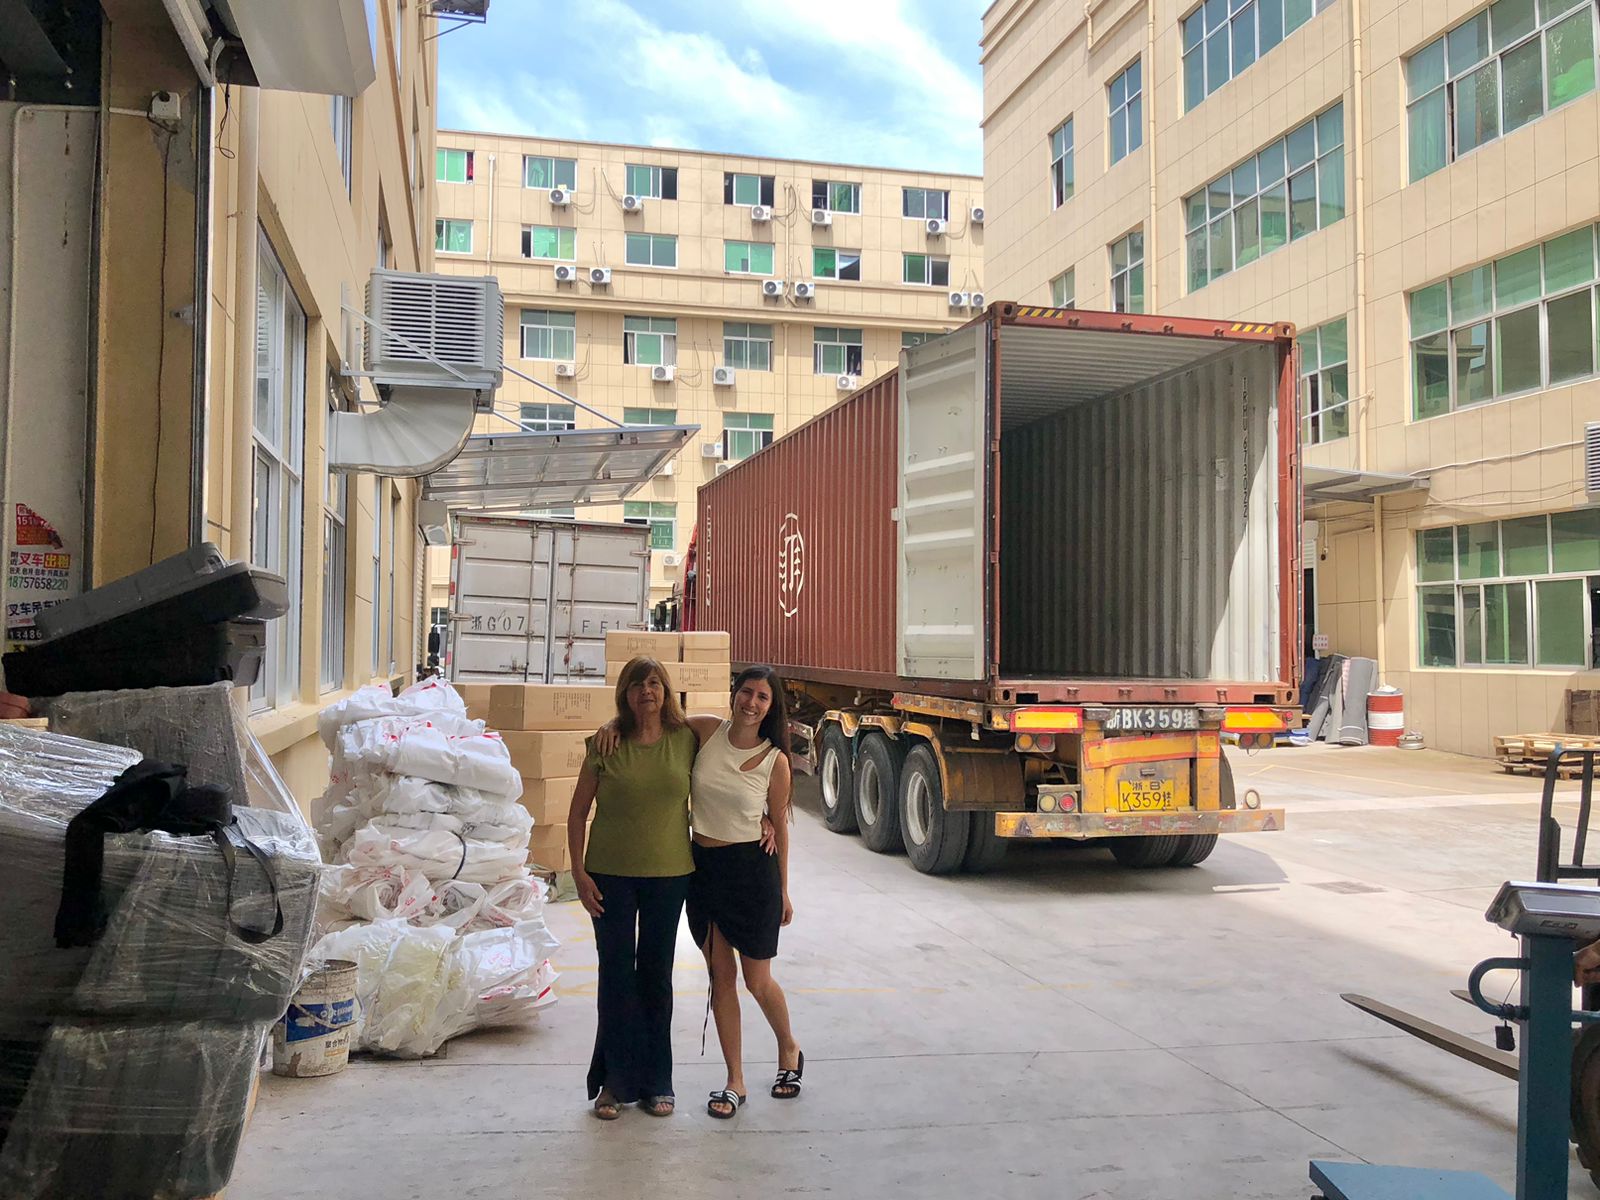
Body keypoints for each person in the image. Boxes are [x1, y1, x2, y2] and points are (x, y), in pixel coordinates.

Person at [594, 665, 803, 1119]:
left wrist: (784, 890)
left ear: (772, 707)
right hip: (703, 871)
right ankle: (735, 1081)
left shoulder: (776, 762)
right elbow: (652, 719)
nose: (751, 703)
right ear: (734, 694)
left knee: (757, 980)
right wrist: (613, 723)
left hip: (752, 874)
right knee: (720, 979)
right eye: (746, 692)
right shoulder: (706, 731)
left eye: (763, 697)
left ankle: (788, 1047)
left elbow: (781, 828)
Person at [568, 657, 698, 1120]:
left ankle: (657, 1081)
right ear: (624, 693)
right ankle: (613, 1083)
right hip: (609, 876)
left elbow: (736, 751)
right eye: (637, 684)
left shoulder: (687, 739)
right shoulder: (606, 743)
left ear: (666, 691)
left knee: (656, 977)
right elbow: (577, 813)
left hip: (670, 874)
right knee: (617, 977)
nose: (647, 691)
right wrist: (578, 874)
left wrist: (767, 813)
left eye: (655, 683)